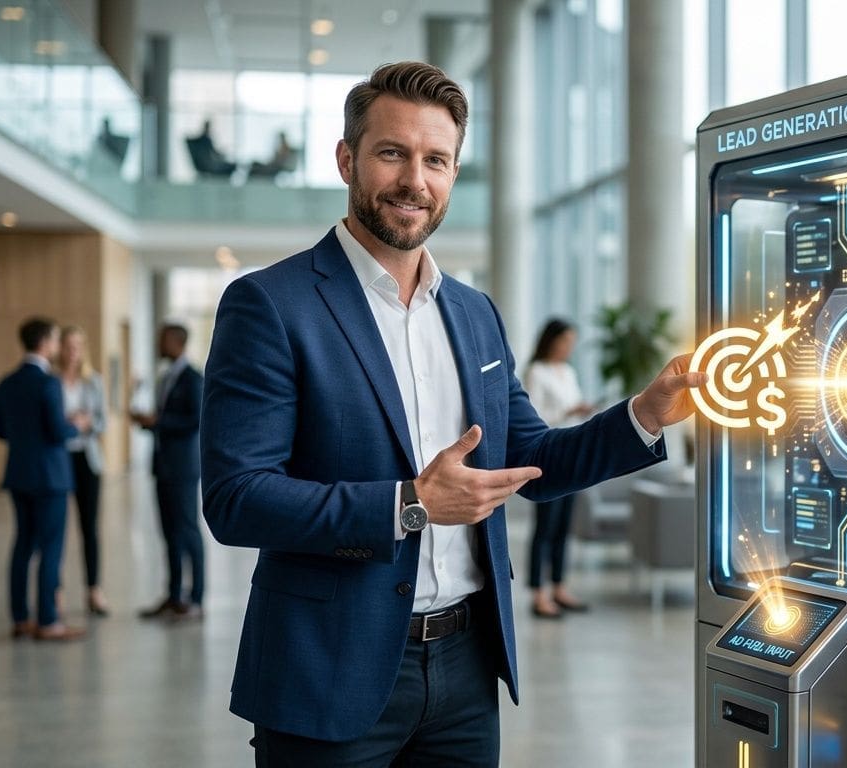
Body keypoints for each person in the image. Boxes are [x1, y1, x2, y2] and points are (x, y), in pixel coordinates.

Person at [200, 61, 704, 766]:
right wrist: (409, 504)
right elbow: (236, 499)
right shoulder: (271, 305)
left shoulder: (474, 313)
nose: (415, 179)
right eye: (392, 153)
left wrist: (642, 416)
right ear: (347, 159)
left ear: (454, 173)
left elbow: (532, 460)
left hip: (467, 672)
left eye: (435, 159)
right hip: (327, 670)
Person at [0, 317, 87, 641]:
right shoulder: (49, 383)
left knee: (22, 546)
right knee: (51, 549)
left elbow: (1, 431)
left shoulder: (6, 383)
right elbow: (58, 432)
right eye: (56, 339)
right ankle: (48, 621)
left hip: (19, 474)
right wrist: (78, 424)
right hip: (50, 478)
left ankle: (21, 618)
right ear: (46, 342)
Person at [131, 323, 205, 621]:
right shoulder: (165, 377)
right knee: (169, 533)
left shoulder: (193, 378)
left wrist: (157, 421)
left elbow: (194, 421)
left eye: (162, 339)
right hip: (162, 465)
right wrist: (149, 423)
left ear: (177, 342)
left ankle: (196, 599)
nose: (157, 344)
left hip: (183, 467)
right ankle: (174, 596)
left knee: (188, 531)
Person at [523, 319, 595, 619]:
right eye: (564, 341)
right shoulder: (535, 372)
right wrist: (568, 411)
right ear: (550, 340)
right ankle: (538, 594)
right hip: (547, 456)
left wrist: (582, 409)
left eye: (571, 342)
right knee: (546, 527)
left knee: (564, 526)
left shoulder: (568, 372)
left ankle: (559, 587)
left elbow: (573, 405)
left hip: (570, 455)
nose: (568, 347)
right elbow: (533, 417)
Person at [56, 326, 110, 616]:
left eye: (77, 345)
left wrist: (87, 423)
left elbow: (104, 422)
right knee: (57, 530)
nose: (72, 351)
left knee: (89, 528)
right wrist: (66, 422)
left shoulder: (94, 382)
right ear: (60, 348)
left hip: (87, 460)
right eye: (67, 345)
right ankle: (57, 593)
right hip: (59, 458)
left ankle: (94, 590)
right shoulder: (51, 381)